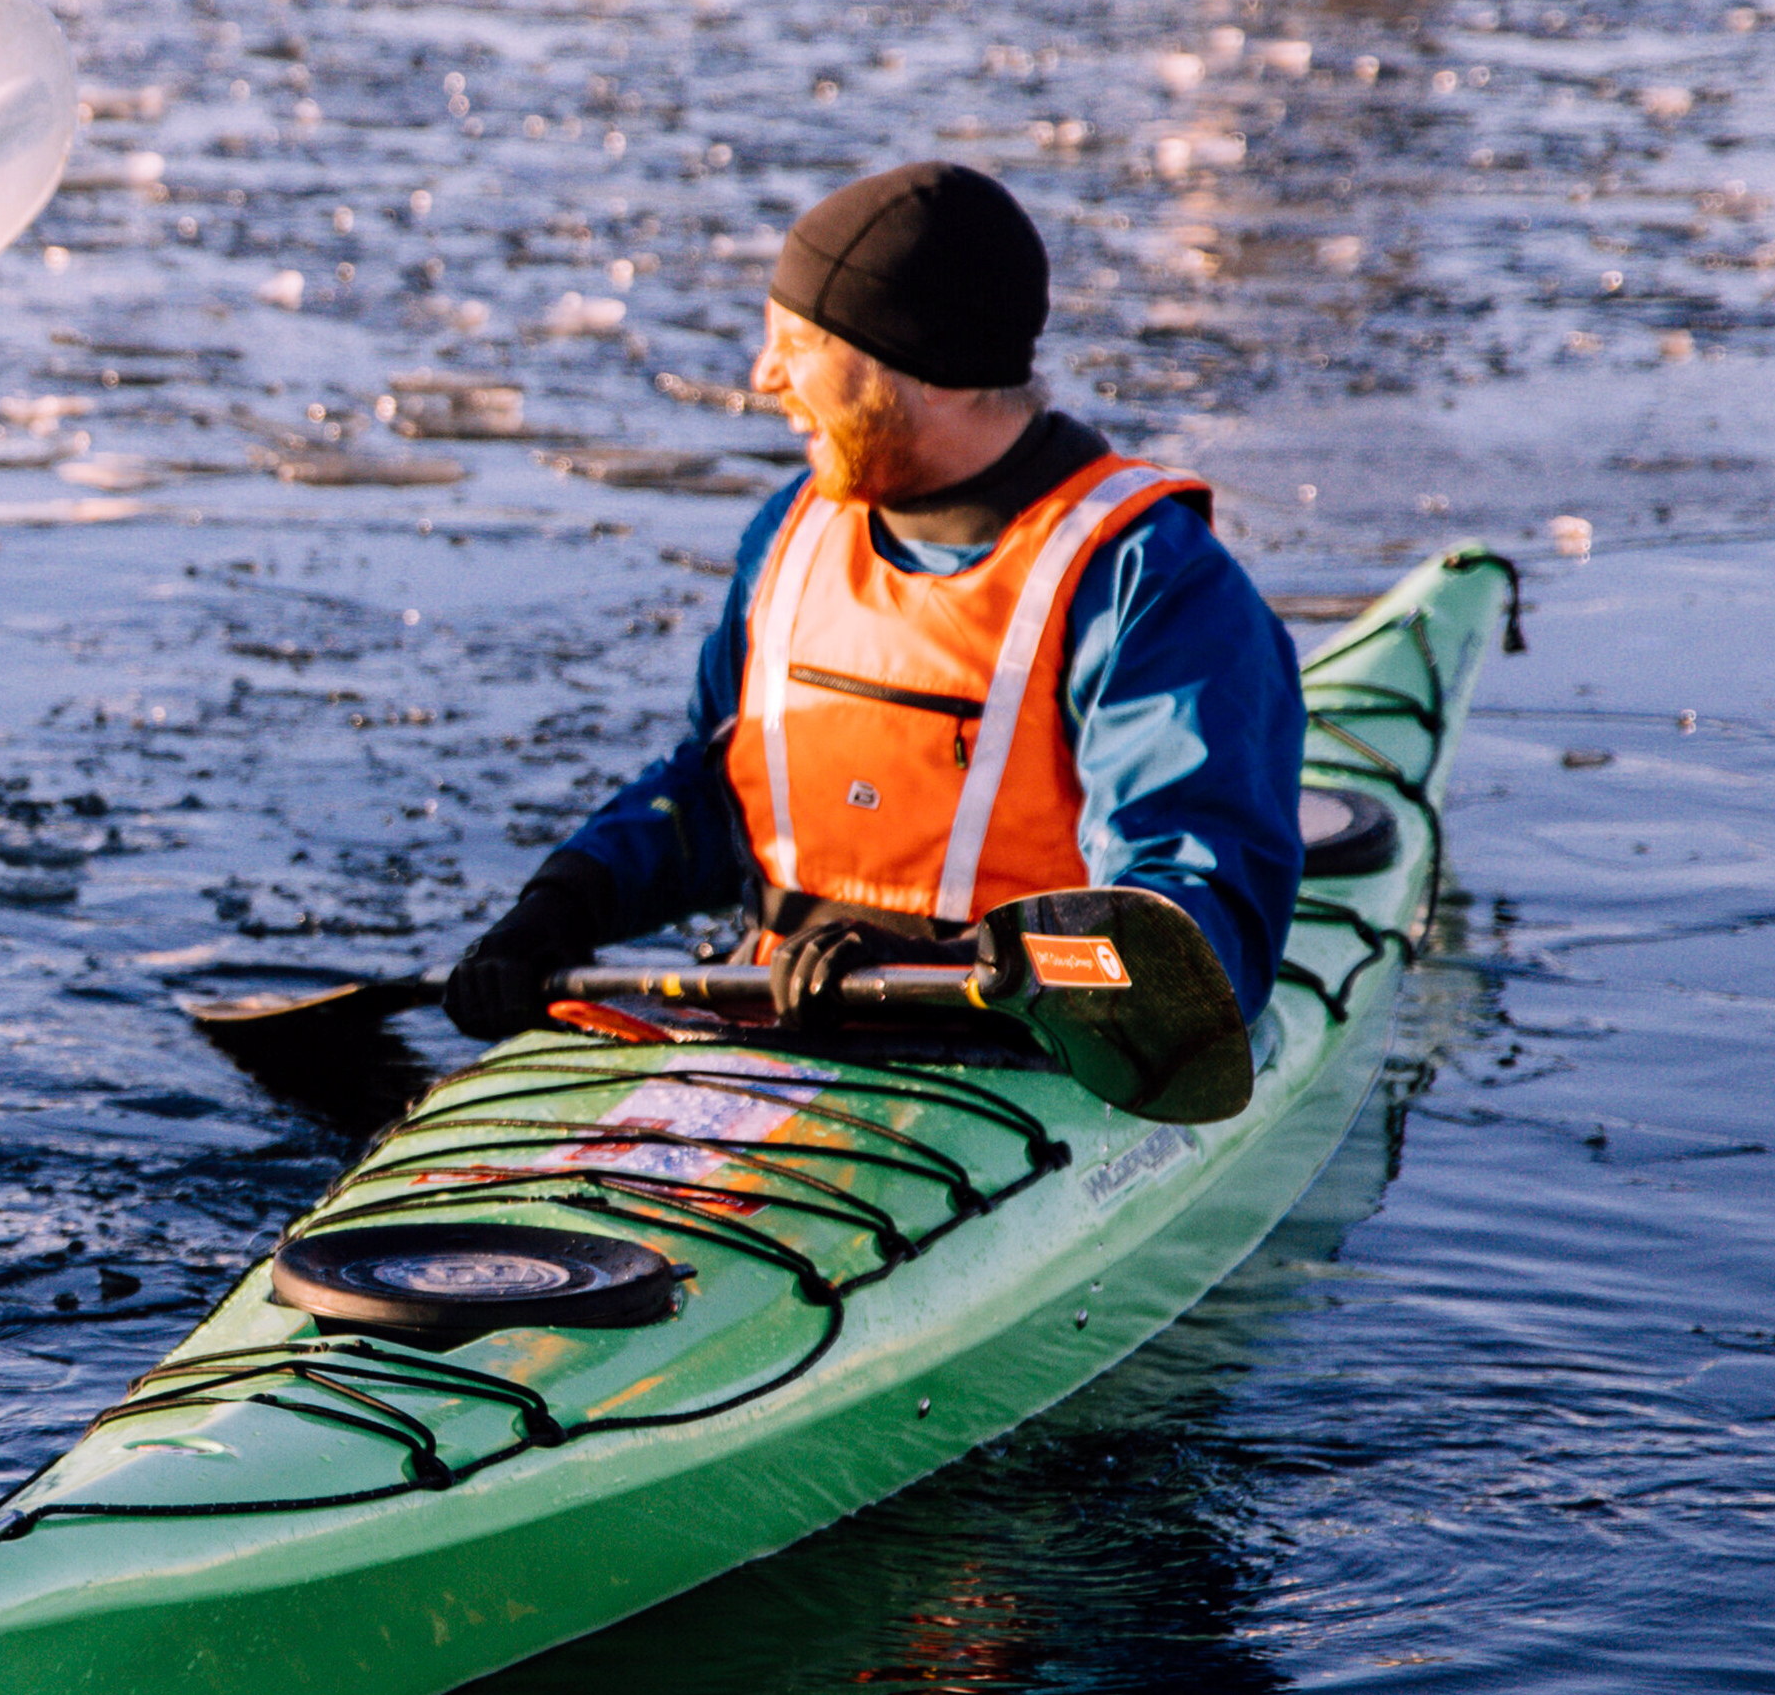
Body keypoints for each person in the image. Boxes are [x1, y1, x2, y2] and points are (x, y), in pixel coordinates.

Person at [430, 159, 1303, 1052]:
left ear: (930, 371)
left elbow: (1183, 944)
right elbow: (714, 791)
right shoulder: (793, 532)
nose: (764, 374)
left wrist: (960, 965)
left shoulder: (1153, 586)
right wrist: (561, 903)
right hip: (775, 1026)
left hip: (1026, 1061)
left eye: (802, 344)